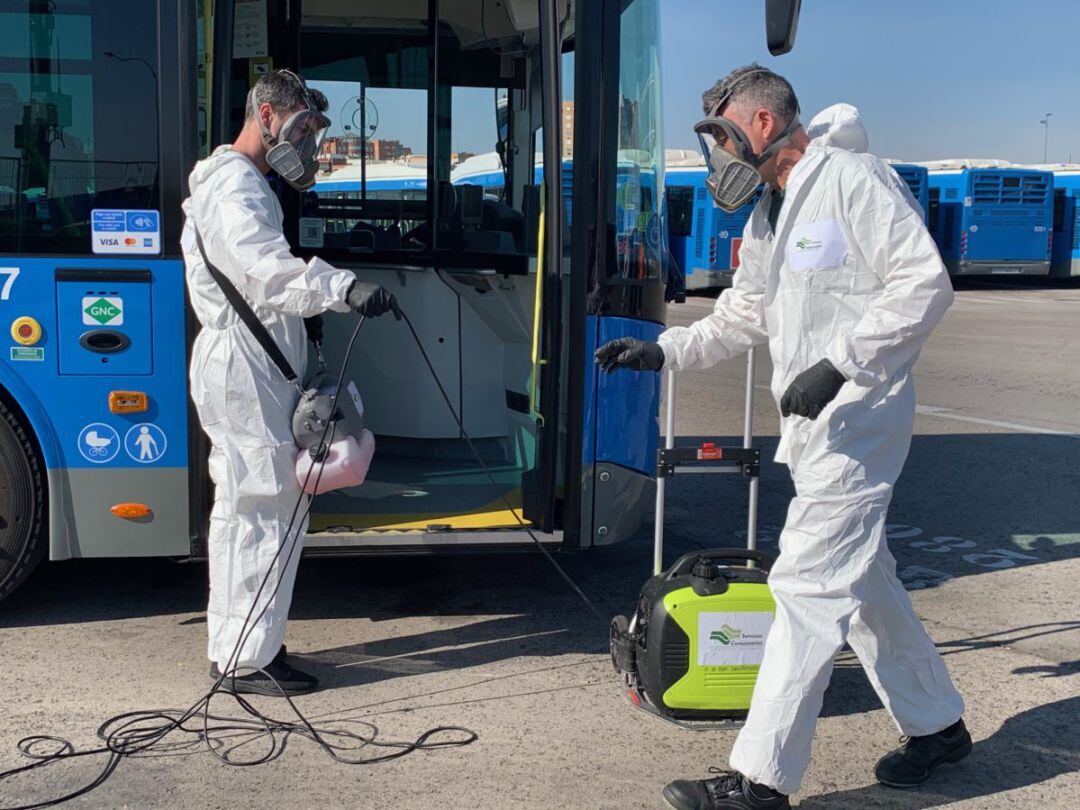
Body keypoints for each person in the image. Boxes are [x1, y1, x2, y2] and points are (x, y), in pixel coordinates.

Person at [595, 65, 969, 809]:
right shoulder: (772, 211)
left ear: (762, 124)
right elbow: (745, 313)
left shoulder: (853, 181)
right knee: (864, 586)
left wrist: (842, 365)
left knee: (802, 587)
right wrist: (665, 352)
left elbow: (924, 283)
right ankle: (937, 727)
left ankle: (761, 781)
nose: (717, 160)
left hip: (860, 423)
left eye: (721, 136)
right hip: (815, 431)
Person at [181, 70, 399, 697]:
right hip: (244, 372)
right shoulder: (234, 189)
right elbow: (265, 272)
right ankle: (245, 660)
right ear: (268, 115)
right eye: (303, 128)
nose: (308, 143)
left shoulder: (247, 184)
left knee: (269, 509)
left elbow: (263, 286)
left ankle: (252, 644)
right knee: (258, 511)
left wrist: (311, 333)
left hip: (259, 367)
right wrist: (341, 288)